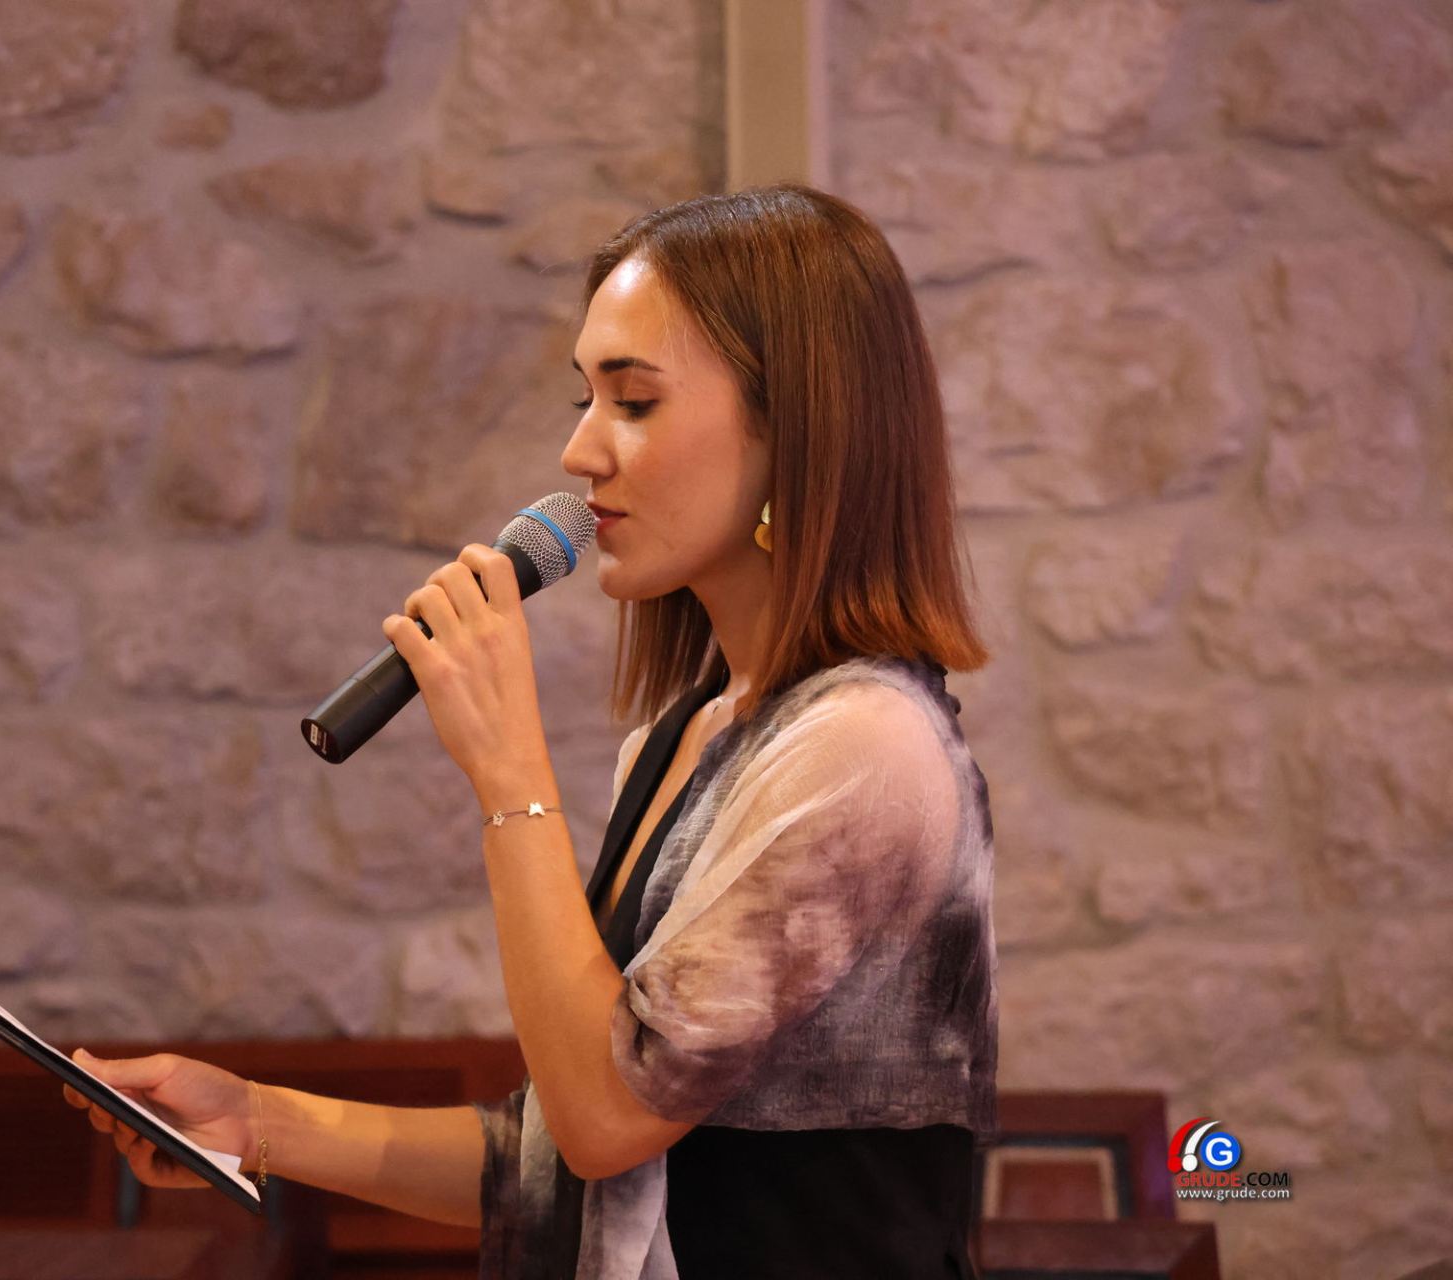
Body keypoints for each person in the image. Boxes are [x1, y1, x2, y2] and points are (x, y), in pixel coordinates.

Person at [62, 181, 998, 1280]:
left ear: (795, 431)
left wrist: (509, 770)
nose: (580, 452)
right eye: (584, 397)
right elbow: (569, 1165)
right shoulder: (687, 736)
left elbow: (606, 1116)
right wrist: (257, 1122)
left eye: (634, 401)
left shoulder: (867, 749)